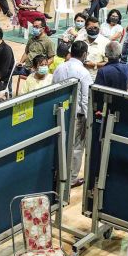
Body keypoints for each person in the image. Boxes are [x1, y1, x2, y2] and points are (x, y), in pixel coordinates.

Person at [53, 41, 92, 187]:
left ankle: (56, 175)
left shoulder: (60, 67)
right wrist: (88, 121)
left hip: (59, 113)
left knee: (59, 144)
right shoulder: (84, 73)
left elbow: (53, 89)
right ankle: (72, 179)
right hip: (77, 117)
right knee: (76, 148)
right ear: (84, 54)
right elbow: (85, 99)